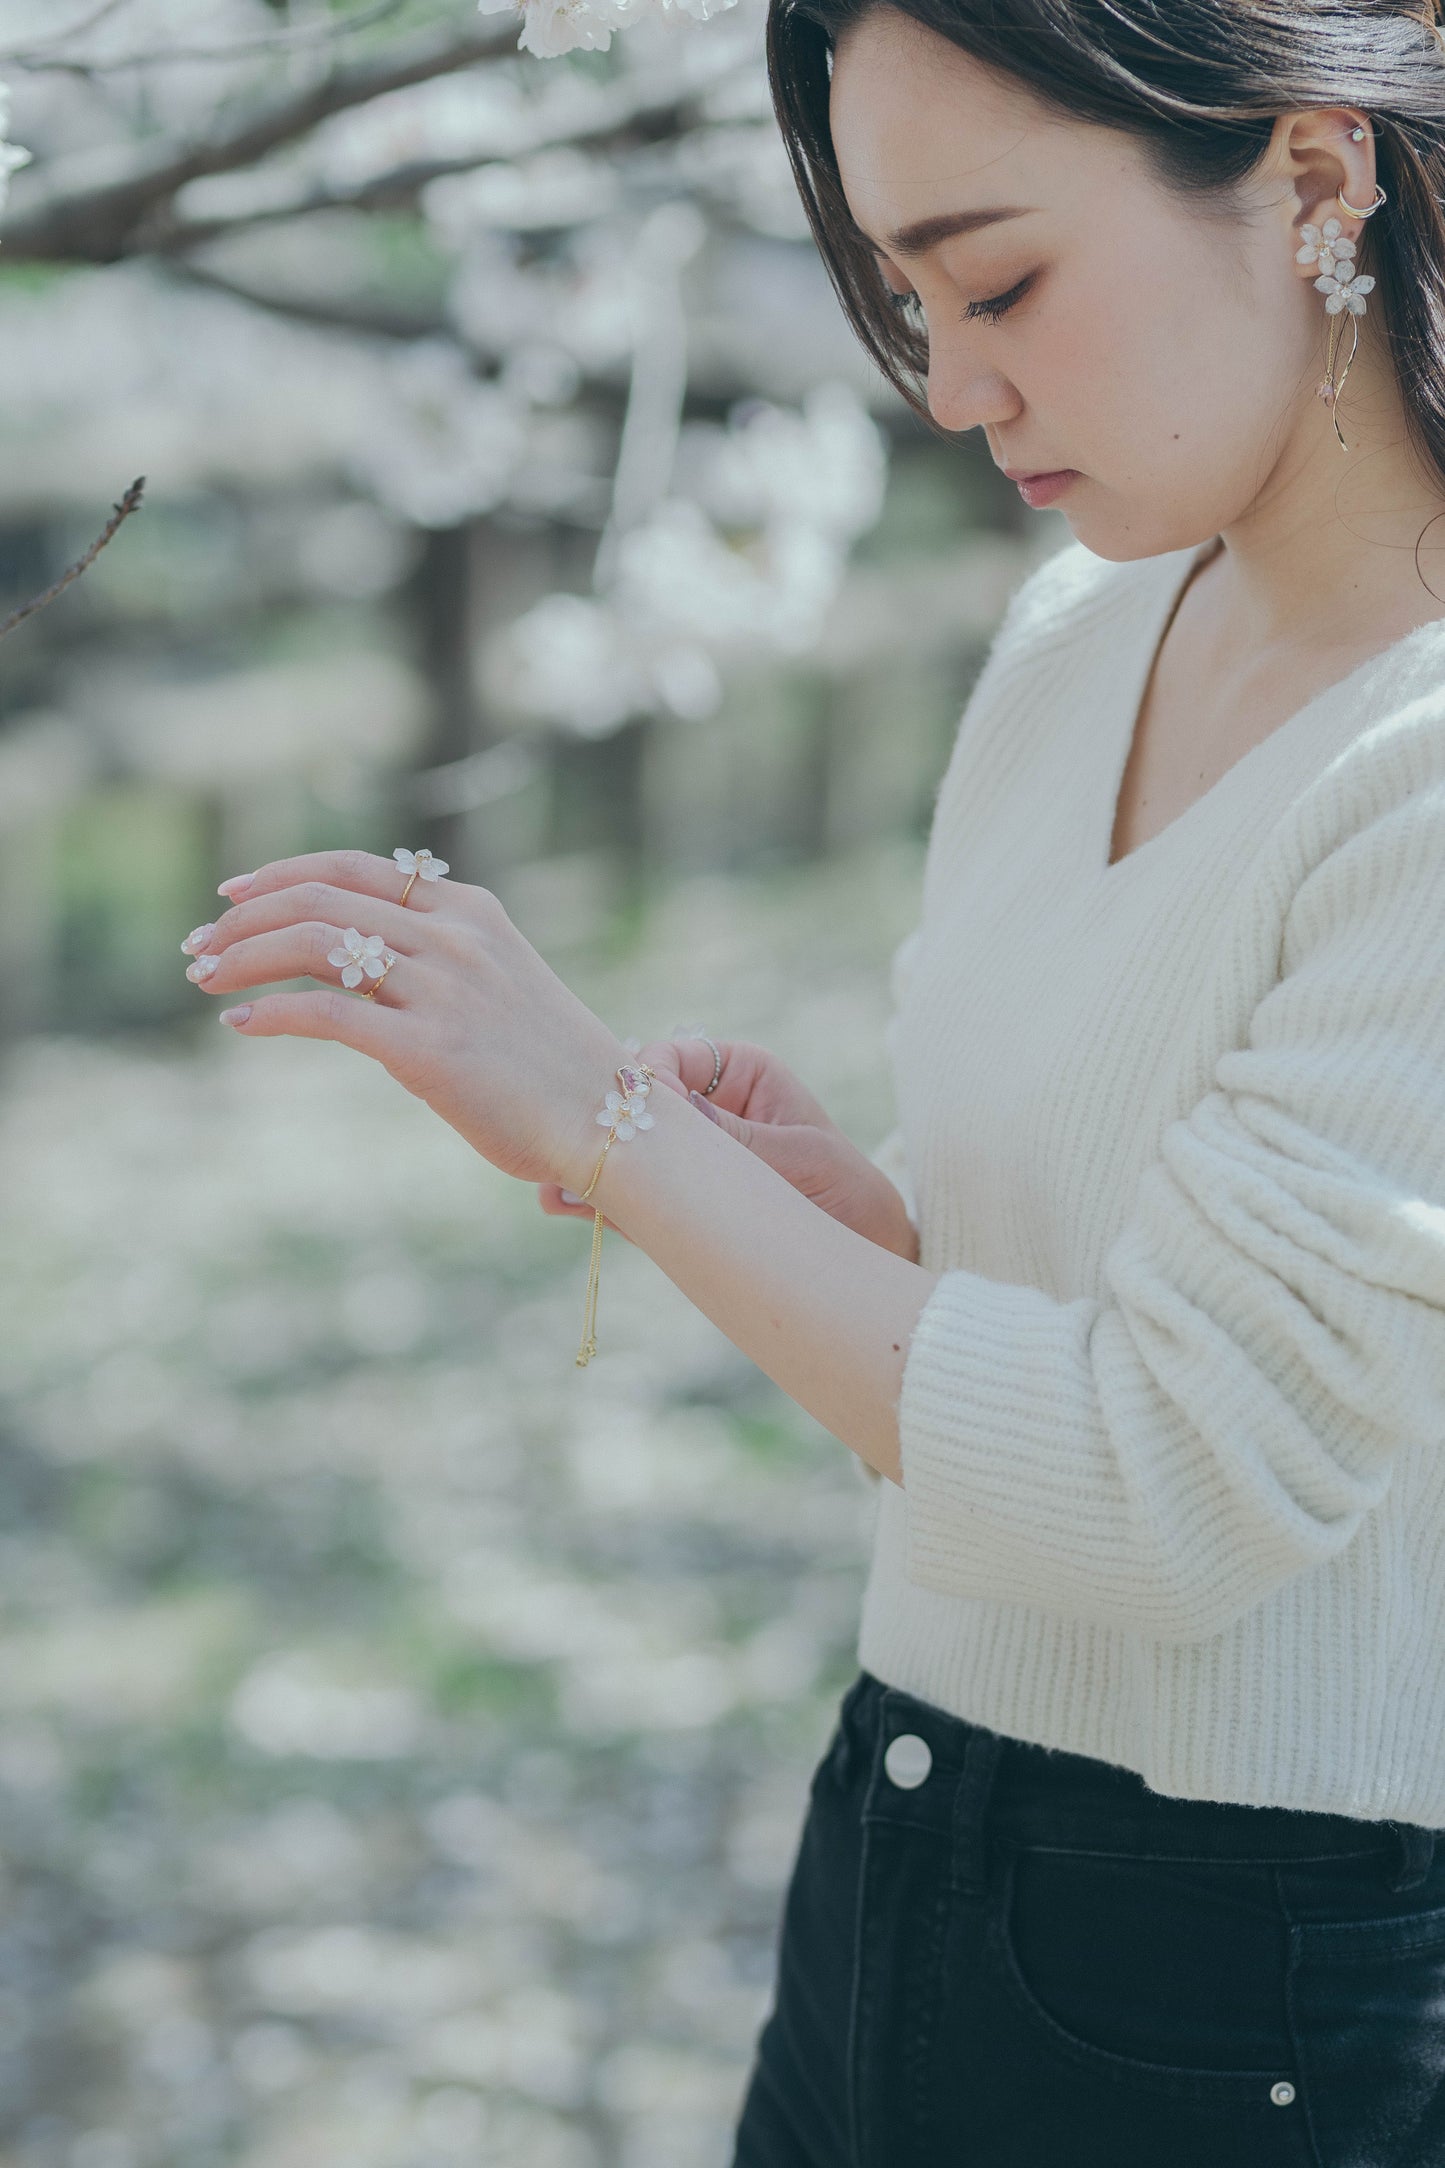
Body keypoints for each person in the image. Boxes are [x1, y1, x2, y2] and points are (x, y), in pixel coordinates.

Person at [176, 1, 1445, 2161]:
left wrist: (621, 1131)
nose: (952, 385)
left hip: (1253, 1969)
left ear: (1317, 180)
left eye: (1005, 278)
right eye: (905, 297)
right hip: (903, 1820)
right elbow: (1074, 1335)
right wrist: (860, 1229)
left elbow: (1170, 1491)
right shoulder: (1076, 635)